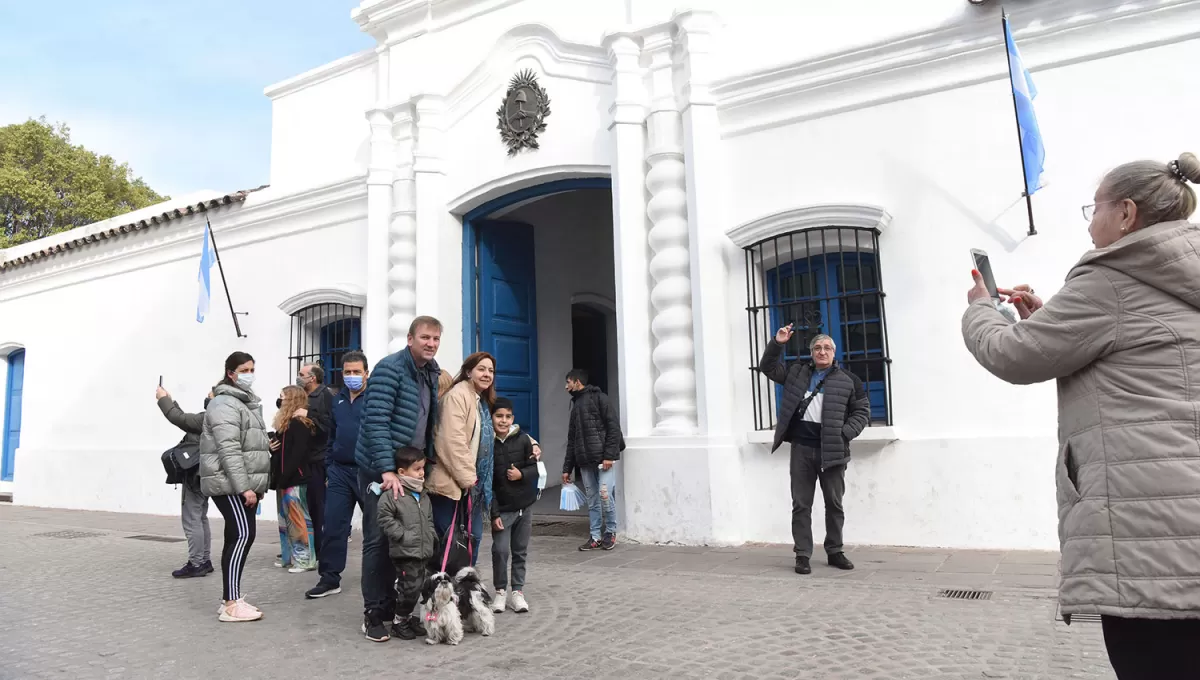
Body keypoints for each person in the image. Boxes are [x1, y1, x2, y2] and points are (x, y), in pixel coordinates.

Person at [962, 152, 1200, 679]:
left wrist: (980, 308)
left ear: (1126, 214)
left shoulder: (1110, 279)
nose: (1091, 220)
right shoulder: (1183, 273)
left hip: (1151, 531)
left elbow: (1015, 355)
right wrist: (1051, 320)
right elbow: (1137, 348)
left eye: (1095, 207)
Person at [354, 316, 449, 642]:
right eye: (425, 337)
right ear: (410, 338)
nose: (431, 344)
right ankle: (374, 615)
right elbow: (376, 420)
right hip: (382, 471)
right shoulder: (389, 369)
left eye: (436, 338)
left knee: (407, 542)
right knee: (379, 541)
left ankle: (399, 614)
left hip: (409, 472)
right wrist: (386, 470)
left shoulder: (431, 372)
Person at [758, 332, 870, 575]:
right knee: (801, 505)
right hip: (801, 449)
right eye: (818, 347)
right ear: (811, 352)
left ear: (834, 351)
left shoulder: (849, 380)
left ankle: (835, 551)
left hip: (833, 450)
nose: (822, 351)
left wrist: (844, 433)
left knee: (834, 504)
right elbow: (766, 367)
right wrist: (778, 343)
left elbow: (862, 411)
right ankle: (802, 554)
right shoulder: (796, 374)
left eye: (827, 347)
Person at [200, 351, 271, 622]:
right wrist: (244, 487)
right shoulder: (225, 404)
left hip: (238, 482)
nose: (249, 374)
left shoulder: (242, 403)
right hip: (229, 483)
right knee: (242, 535)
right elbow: (229, 449)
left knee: (237, 536)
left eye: (252, 369)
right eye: (244, 369)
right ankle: (231, 603)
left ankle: (230, 599)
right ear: (231, 372)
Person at [306, 351, 369, 599]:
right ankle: (329, 578)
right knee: (332, 525)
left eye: (357, 371)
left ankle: (388, 577)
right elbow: (332, 435)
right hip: (340, 472)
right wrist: (330, 464)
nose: (352, 376)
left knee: (378, 529)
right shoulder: (337, 399)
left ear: (367, 373)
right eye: (348, 372)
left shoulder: (376, 398)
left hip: (368, 472)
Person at [429, 352, 496, 567]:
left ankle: (462, 590)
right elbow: (451, 441)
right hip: (452, 485)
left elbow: (488, 436)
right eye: (482, 369)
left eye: (491, 371)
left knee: (471, 539)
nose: (487, 374)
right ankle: (447, 592)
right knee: (452, 542)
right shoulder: (457, 397)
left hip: (471, 486)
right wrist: (469, 480)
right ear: (468, 371)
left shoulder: (479, 401)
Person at [377, 446, 436, 641]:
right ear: (402, 472)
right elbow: (385, 517)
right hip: (404, 552)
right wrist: (402, 535)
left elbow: (428, 519)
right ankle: (399, 621)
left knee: (418, 587)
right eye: (417, 469)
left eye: (422, 469)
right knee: (408, 589)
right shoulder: (394, 494)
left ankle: (408, 618)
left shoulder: (423, 494)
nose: (422, 473)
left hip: (422, 550)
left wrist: (431, 535)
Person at [156, 385, 215, 578]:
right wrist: (171, 401)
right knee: (201, 516)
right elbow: (187, 421)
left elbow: (179, 419)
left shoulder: (210, 416)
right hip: (206, 473)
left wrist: (162, 400)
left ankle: (196, 562)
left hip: (196, 473)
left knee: (192, 518)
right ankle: (204, 560)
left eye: (211, 393)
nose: (208, 395)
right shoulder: (220, 417)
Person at [561, 369, 622, 551]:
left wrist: (609, 456)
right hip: (585, 462)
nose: (566, 387)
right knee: (593, 499)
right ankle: (595, 536)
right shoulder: (575, 406)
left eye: (568, 382)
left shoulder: (600, 398)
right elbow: (572, 439)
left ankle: (610, 532)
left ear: (577, 382)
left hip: (604, 461)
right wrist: (567, 468)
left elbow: (613, 428)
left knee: (605, 495)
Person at [488, 397, 538, 614]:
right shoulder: (486, 443)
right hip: (502, 509)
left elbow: (535, 469)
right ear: (491, 417)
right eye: (499, 416)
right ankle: (500, 592)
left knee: (520, 551)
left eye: (508, 416)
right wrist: (494, 513)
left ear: (513, 418)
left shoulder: (524, 440)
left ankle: (517, 592)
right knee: (500, 551)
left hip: (524, 506)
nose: (503, 421)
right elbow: (487, 482)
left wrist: (522, 474)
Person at [271, 385, 318, 573]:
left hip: (294, 479)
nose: (279, 400)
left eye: (282, 396)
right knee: (285, 520)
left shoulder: (299, 424)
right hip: (284, 479)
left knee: (299, 520)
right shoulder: (286, 424)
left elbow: (297, 454)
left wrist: (285, 476)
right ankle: (288, 557)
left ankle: (305, 560)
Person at [296, 362, 332, 563]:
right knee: (307, 506)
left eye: (302, 374)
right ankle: (306, 546)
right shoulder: (303, 395)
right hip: (305, 459)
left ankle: (321, 550)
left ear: (313, 378)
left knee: (319, 508)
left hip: (320, 459)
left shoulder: (325, 396)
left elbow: (328, 425)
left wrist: (307, 414)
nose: (298, 376)